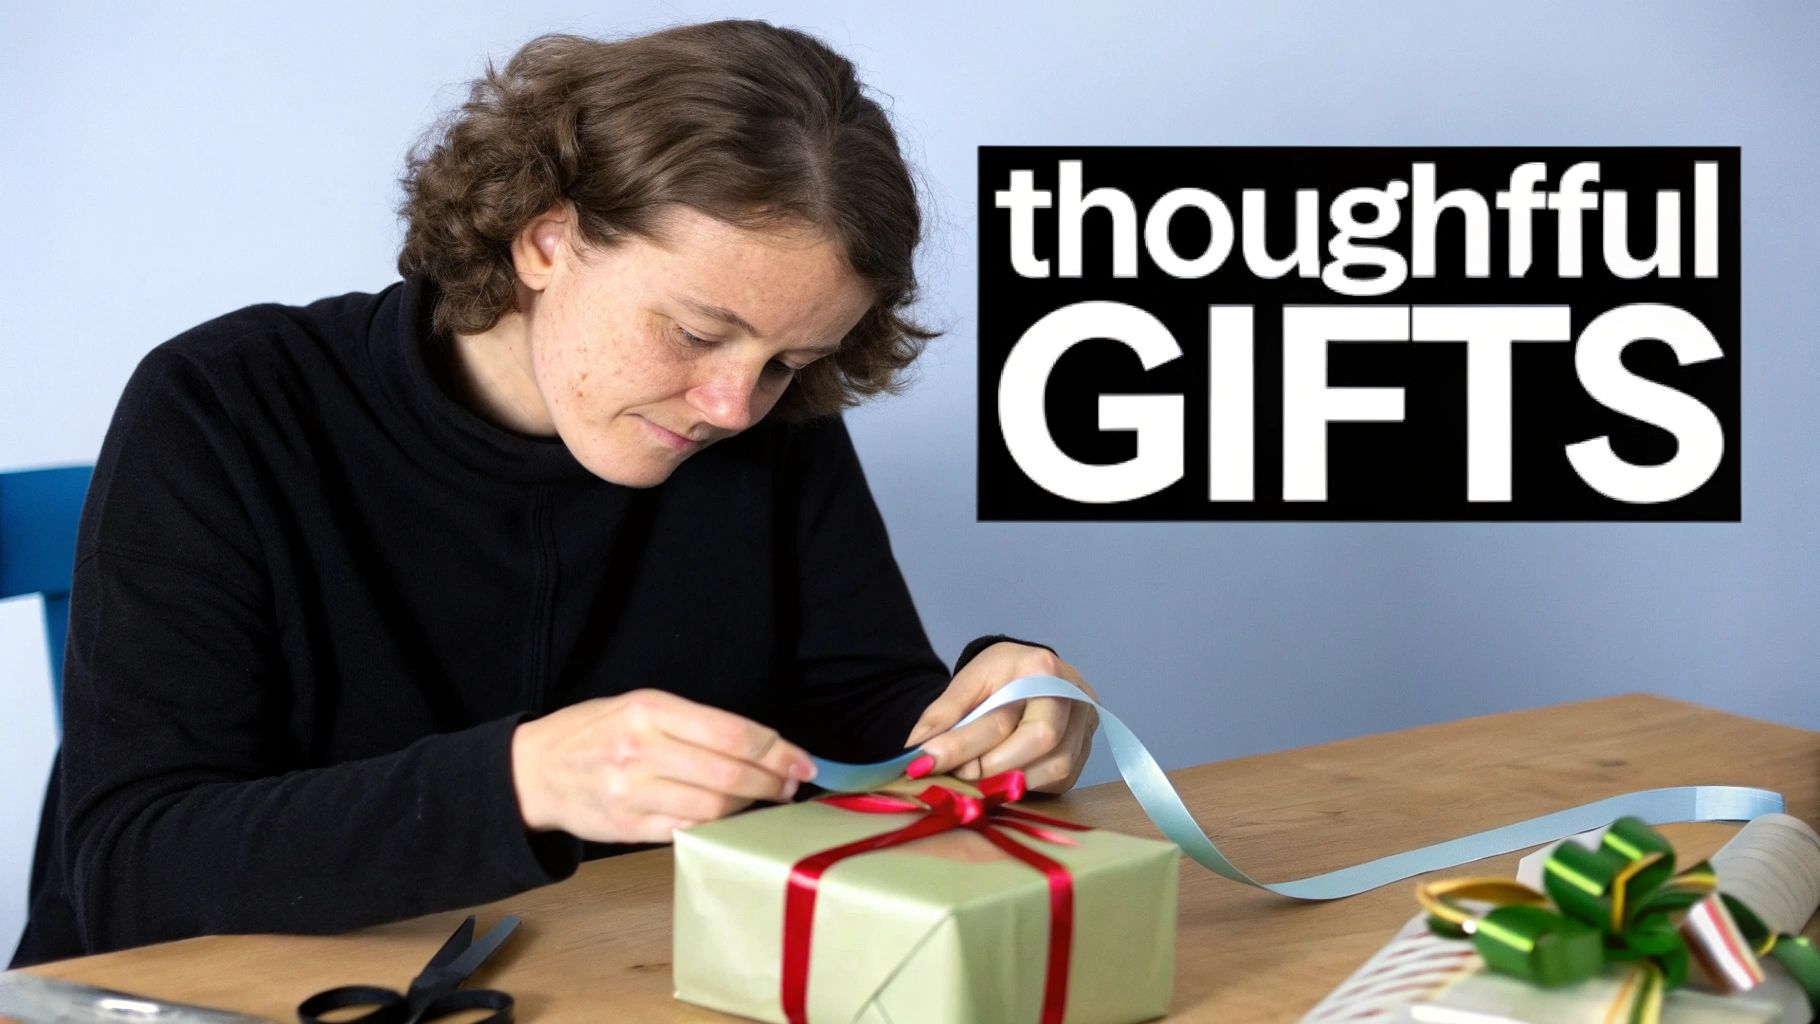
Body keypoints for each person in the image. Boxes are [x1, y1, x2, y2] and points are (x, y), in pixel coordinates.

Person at [10, 20, 1100, 968]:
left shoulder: (770, 424)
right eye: (695, 332)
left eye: (783, 359)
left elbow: (868, 729)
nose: (731, 404)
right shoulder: (225, 406)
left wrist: (990, 714)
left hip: (593, 978)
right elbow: (130, 868)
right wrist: (520, 780)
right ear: (544, 236)